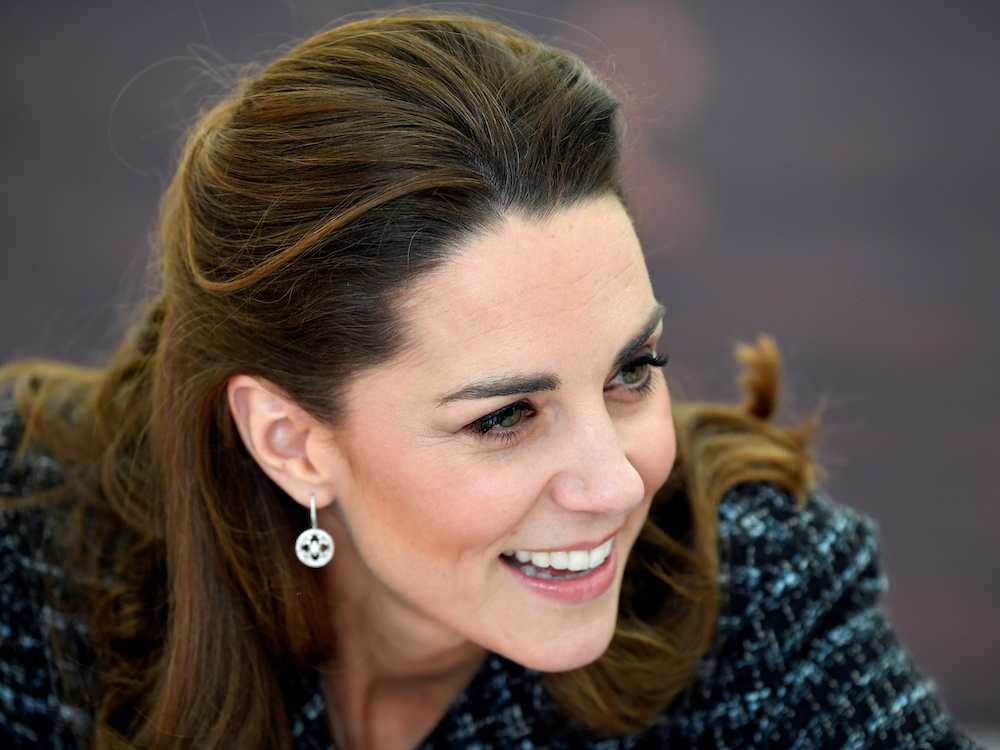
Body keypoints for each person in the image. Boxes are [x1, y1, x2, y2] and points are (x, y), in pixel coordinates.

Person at [0, 11, 981, 750]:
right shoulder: (27, 554)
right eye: (508, 416)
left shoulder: (757, 597)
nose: (613, 483)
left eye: (631, 373)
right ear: (290, 440)